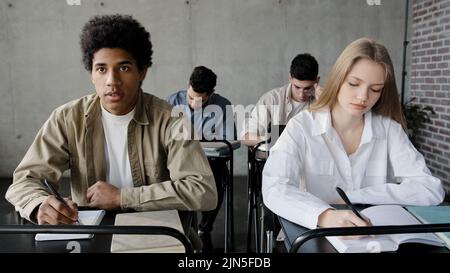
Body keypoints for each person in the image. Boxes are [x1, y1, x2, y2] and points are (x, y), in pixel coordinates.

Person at [5, 15, 217, 235]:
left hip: (157, 234)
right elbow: (24, 181)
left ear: (142, 72)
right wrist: (41, 205)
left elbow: (203, 191)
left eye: (124, 68)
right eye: (101, 69)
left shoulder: (171, 119)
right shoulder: (67, 118)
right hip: (90, 237)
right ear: (91, 74)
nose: (112, 81)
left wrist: (122, 197)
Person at [262, 38, 445, 230]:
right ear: (338, 79)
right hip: (320, 235)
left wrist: (356, 196)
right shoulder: (302, 126)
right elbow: (274, 186)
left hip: (378, 236)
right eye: (353, 84)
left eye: (375, 89)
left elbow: (429, 189)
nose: (363, 97)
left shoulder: (390, 130)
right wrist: (324, 215)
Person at [166, 66, 235, 251]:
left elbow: (227, 144)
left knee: (218, 179)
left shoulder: (223, 105)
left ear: (211, 94)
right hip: (177, 159)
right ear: (187, 86)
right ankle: (185, 227)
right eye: (190, 98)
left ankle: (204, 227)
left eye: (200, 100)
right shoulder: (171, 101)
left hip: (211, 162)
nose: (194, 104)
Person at [241, 53, 320, 146]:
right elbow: (247, 137)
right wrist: (274, 142)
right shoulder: (272, 99)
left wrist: (324, 104)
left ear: (317, 81)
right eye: (297, 87)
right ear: (290, 78)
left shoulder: (324, 101)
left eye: (307, 88)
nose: (301, 94)